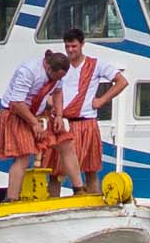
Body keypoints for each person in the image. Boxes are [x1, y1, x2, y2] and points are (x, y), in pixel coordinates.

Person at [43, 26, 129, 195]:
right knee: (53, 172)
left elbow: (122, 81)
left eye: (73, 46)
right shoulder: (61, 67)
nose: (70, 50)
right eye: (67, 46)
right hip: (62, 122)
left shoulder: (96, 65)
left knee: (91, 169)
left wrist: (102, 100)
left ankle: (94, 207)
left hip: (86, 122)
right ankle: (53, 207)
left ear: (82, 44)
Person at [0, 49, 70, 201]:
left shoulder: (57, 77)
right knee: (23, 156)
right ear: (49, 68)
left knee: (65, 141)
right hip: (16, 113)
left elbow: (57, 92)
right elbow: (17, 102)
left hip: (36, 114)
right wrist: (34, 124)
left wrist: (59, 115)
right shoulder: (29, 71)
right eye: (56, 76)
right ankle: (11, 199)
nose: (58, 80)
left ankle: (78, 188)